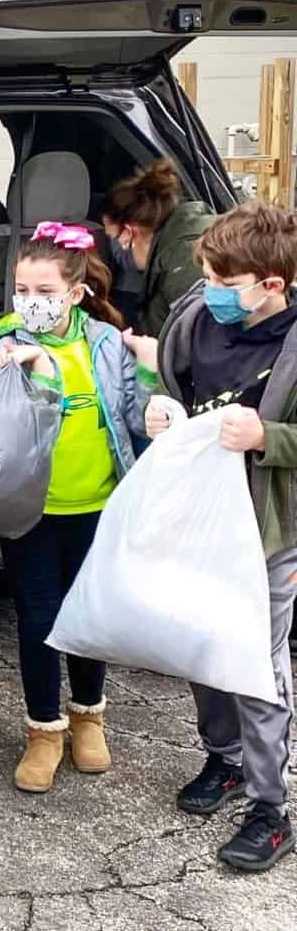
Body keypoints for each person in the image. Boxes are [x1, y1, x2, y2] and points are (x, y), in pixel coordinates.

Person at [145, 201, 297, 873]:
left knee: (257, 666)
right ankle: (226, 760)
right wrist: (156, 408)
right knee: (203, 649)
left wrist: (272, 436)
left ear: (273, 285)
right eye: (205, 273)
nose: (209, 290)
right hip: (197, 512)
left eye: (223, 281)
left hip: (267, 529)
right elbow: (171, 384)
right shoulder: (194, 317)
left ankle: (271, 807)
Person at [0, 221, 156, 794]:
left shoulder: (107, 345)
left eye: (44, 293)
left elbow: (134, 419)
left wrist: (152, 376)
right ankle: (43, 731)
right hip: (33, 511)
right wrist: (27, 372)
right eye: (22, 292)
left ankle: (89, 717)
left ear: (76, 293)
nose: (30, 303)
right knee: (39, 621)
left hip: (99, 506)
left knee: (89, 615)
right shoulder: (7, 347)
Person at [102, 158, 215, 336]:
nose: (117, 247)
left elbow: (201, 342)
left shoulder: (185, 261)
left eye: (115, 238)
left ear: (130, 233)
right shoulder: (175, 244)